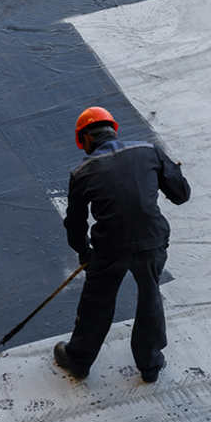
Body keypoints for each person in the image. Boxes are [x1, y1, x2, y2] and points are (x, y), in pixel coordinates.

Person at [53, 106, 190, 383]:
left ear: (85, 139)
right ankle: (150, 365)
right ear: (113, 129)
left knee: (97, 302)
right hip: (152, 240)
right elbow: (181, 195)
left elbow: (76, 224)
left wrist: (84, 253)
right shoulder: (148, 151)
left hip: (110, 246)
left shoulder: (83, 172)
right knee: (150, 297)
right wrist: (172, 170)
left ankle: (78, 360)